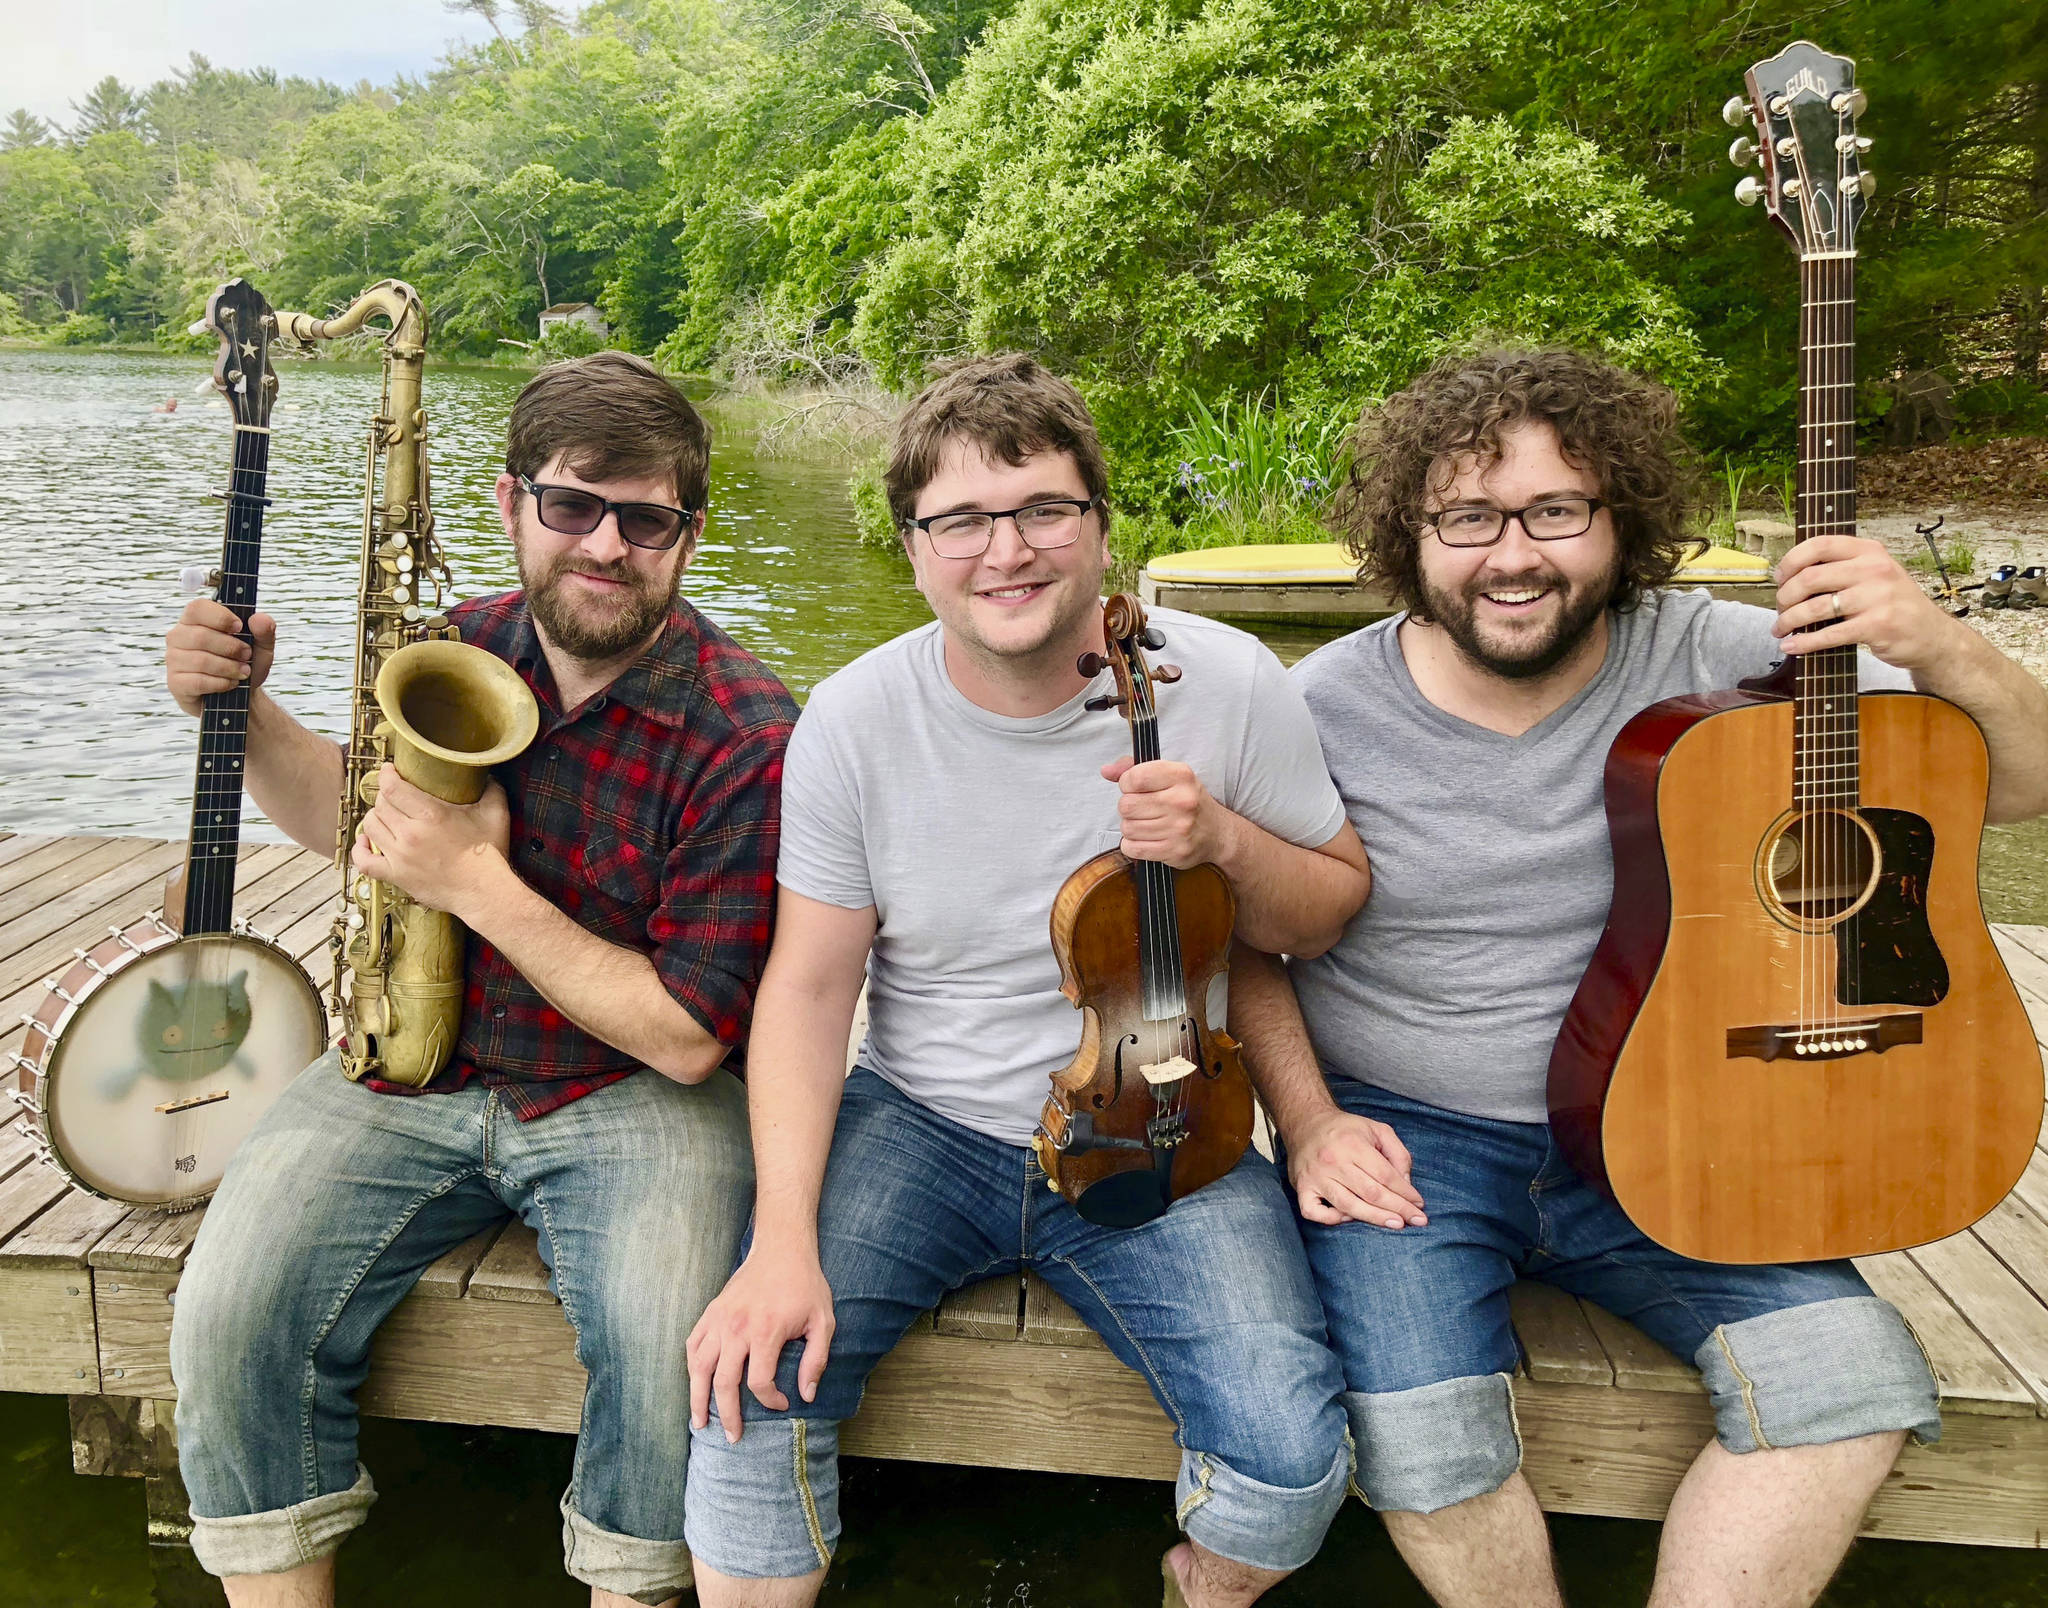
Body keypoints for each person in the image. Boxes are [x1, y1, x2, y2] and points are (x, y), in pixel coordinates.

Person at [1233, 345, 2048, 1608]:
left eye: (1556, 510)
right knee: (1424, 1434)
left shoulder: (1726, 654)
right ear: (1411, 532)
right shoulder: (1317, 705)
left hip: (1687, 1123)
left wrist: (1937, 641)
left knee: (1849, 1385)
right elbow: (1249, 940)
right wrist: (1310, 1121)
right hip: (1411, 1143)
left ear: (1621, 522)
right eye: (1467, 516)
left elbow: (2028, 784)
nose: (1512, 554)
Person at [681, 353, 1376, 1608]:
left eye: (1044, 509)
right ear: (912, 548)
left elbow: (1321, 914)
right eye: (961, 520)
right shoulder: (850, 721)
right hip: (921, 1123)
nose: (1006, 550)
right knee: (751, 1396)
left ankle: (1194, 1582)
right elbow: (808, 991)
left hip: (1162, 1119)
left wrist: (1223, 841)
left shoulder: (1221, 684)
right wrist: (778, 1238)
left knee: (1289, 1457)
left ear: (1101, 527)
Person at [162, 351, 798, 1608]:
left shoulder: (749, 731)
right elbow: (353, 823)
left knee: (665, 1350)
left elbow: (685, 1037)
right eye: (571, 506)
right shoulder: (454, 644)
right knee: (226, 1311)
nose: (605, 545)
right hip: (413, 1065)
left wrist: (482, 890)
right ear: (511, 505)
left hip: (632, 1094)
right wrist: (240, 709)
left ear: (688, 535)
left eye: (644, 518)